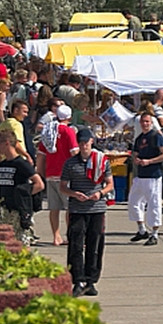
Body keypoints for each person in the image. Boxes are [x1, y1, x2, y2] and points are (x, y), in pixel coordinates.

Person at [60, 127, 114, 297]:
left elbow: (109, 184)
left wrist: (100, 193)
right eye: (81, 143)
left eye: (86, 142)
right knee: (75, 245)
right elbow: (63, 186)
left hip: (96, 209)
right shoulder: (70, 163)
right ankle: (77, 280)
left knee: (95, 245)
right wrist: (74, 194)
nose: (84, 146)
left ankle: (91, 280)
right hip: (77, 208)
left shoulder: (101, 161)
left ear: (92, 141)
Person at [0, 128, 45, 245]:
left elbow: (39, 184)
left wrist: (23, 195)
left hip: (19, 210)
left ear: (6, 143)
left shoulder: (21, 163)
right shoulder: (2, 164)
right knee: (5, 243)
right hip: (5, 209)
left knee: (21, 242)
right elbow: (0, 188)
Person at [37, 104, 78, 245]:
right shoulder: (68, 131)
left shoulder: (48, 131)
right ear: (69, 117)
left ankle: (56, 236)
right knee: (70, 208)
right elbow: (74, 152)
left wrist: (40, 173)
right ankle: (71, 236)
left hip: (50, 173)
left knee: (54, 208)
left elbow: (41, 155)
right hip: (66, 175)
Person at [128, 112, 163, 246]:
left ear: (151, 123)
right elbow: (135, 153)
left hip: (153, 175)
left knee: (154, 204)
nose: (145, 124)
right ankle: (141, 229)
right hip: (140, 175)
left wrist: (150, 161)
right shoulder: (139, 138)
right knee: (134, 201)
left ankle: (154, 233)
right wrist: (136, 159)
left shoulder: (156, 136)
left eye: (147, 122)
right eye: (143, 122)